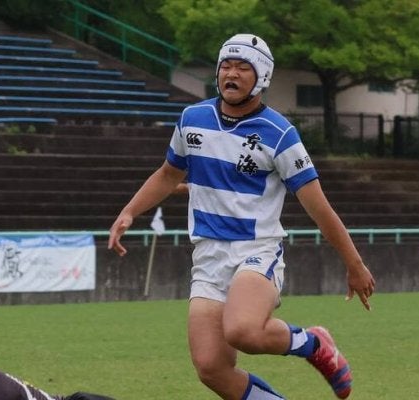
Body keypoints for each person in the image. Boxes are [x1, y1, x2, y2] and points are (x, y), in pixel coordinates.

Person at [107, 34, 375, 399]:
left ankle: (313, 343)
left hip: (256, 250)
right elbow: (169, 174)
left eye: (242, 68)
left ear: (262, 76)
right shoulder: (192, 119)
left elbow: (319, 207)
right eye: (226, 66)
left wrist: (354, 264)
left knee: (242, 330)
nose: (231, 74)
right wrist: (129, 212)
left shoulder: (280, 134)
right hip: (208, 255)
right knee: (211, 367)